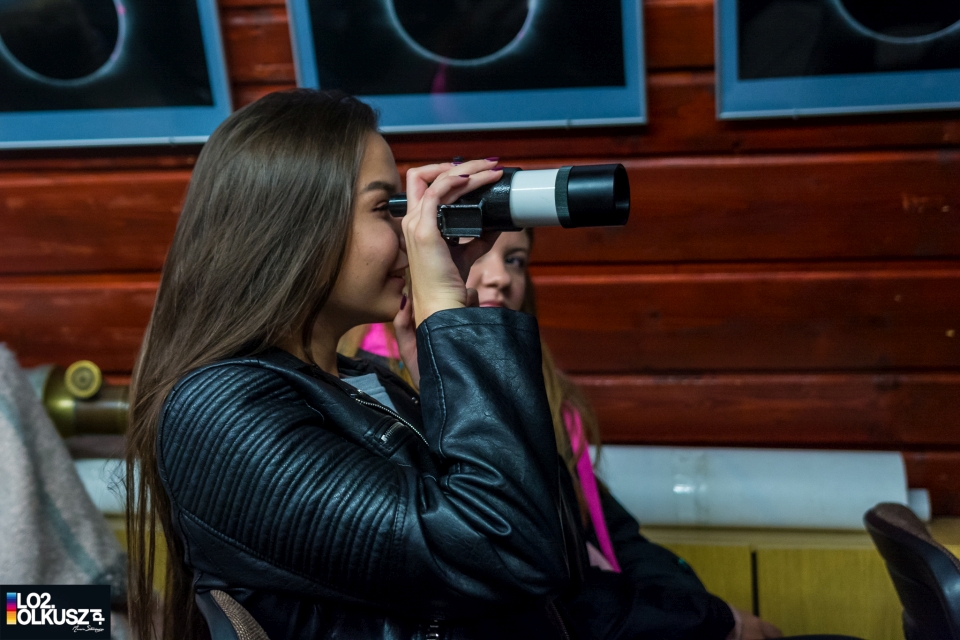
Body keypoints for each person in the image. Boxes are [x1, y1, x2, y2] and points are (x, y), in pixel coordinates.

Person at [124, 90, 584, 640]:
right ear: (293, 228)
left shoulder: (366, 378)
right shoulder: (218, 412)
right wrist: (453, 326)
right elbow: (508, 552)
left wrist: (444, 378)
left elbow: (559, 549)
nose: (409, 231)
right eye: (385, 207)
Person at [346, 230, 866, 640]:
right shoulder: (383, 389)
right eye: (475, 252)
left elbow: (607, 529)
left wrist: (699, 608)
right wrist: (704, 620)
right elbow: (523, 574)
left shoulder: (541, 386)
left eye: (516, 260)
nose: (501, 277)